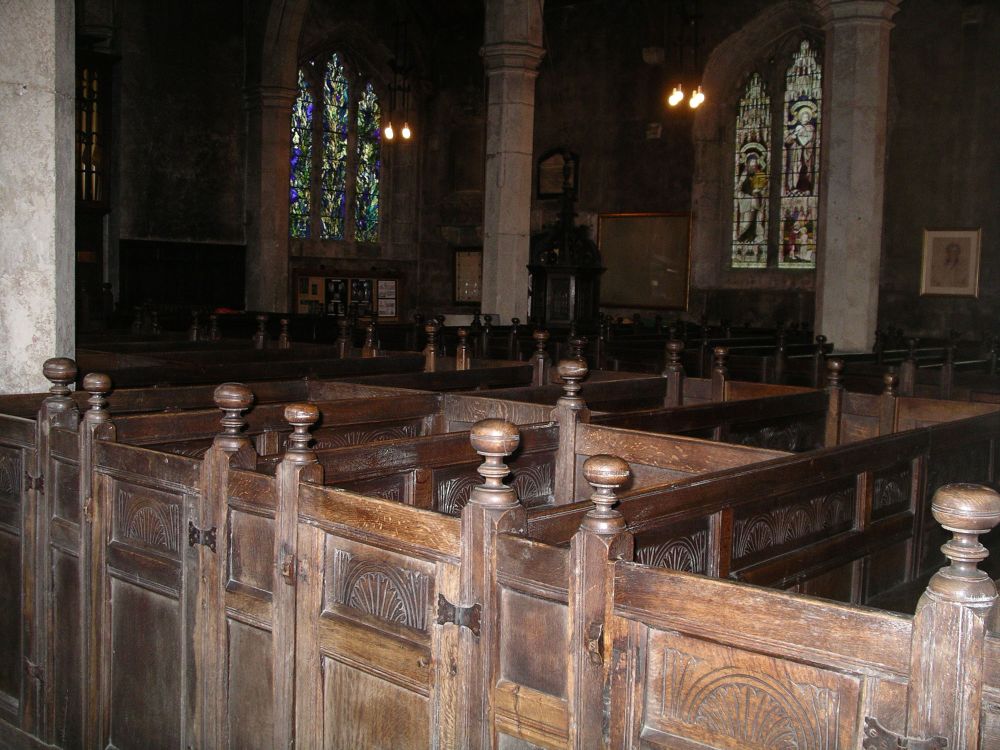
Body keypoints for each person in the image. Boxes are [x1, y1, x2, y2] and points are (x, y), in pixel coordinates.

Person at [784, 101, 817, 195]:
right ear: (800, 117)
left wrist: (798, 134)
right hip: (796, 155)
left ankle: (805, 188)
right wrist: (793, 136)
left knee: (805, 170)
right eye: (803, 116)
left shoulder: (810, 128)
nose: (805, 118)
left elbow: (806, 141)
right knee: (795, 169)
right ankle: (793, 187)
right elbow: (787, 141)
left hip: (806, 155)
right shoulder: (796, 129)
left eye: (807, 116)